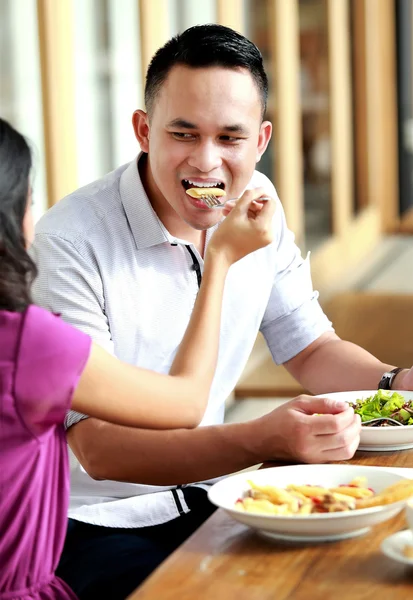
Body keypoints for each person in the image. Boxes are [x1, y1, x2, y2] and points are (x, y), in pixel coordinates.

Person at [31, 24, 412, 600]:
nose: (206, 163)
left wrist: (395, 383)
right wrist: (263, 439)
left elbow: (308, 346)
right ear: (143, 130)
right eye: (183, 133)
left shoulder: (258, 202)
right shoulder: (71, 240)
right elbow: (100, 450)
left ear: (260, 140)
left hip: (219, 492)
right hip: (92, 521)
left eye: (229, 138)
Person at [0, 117, 276, 600]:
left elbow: (308, 338)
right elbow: (186, 402)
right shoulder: (30, 343)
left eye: (229, 137)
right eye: (28, 200)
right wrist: (219, 264)